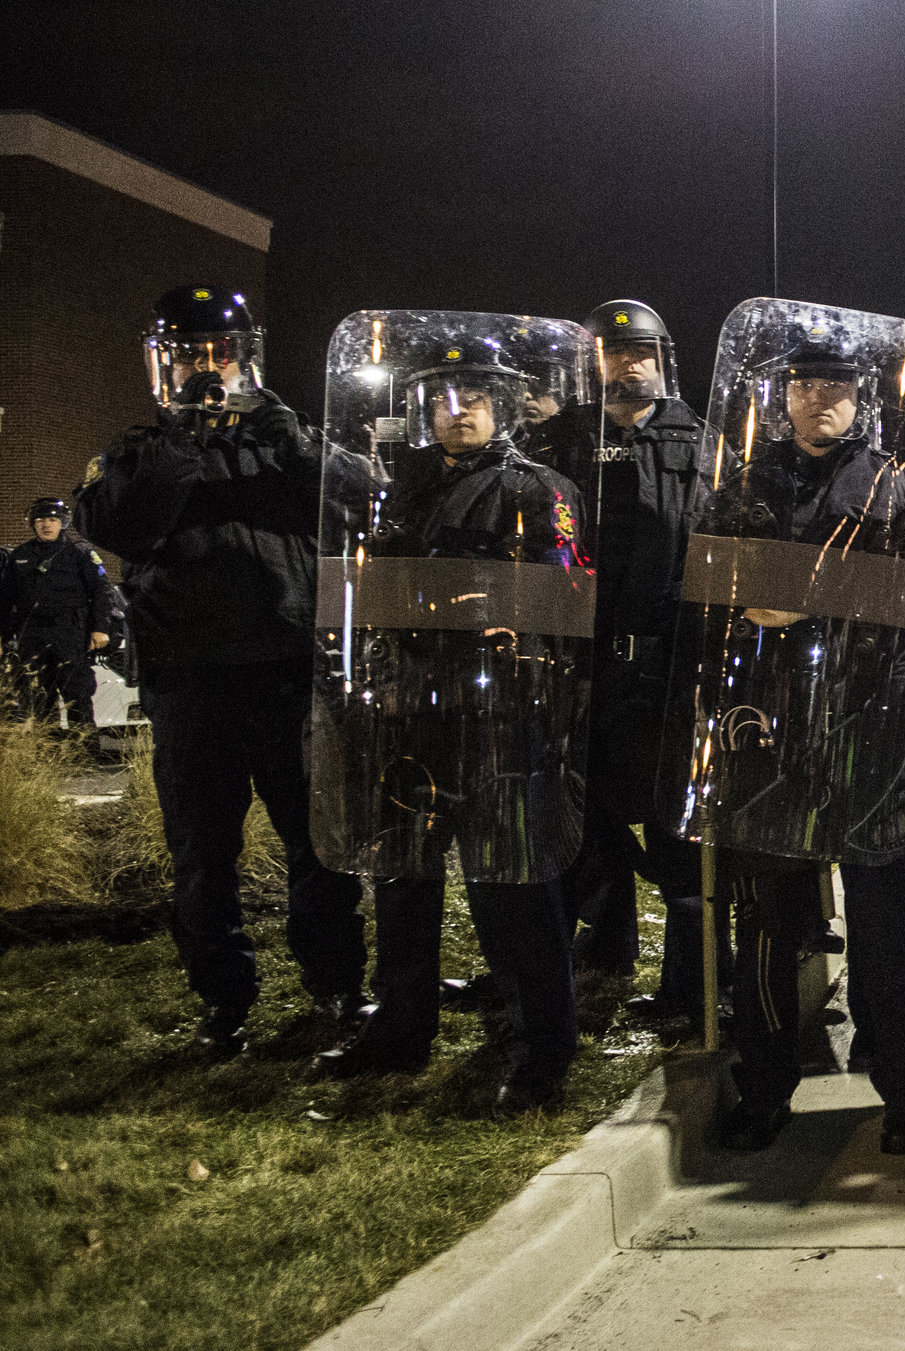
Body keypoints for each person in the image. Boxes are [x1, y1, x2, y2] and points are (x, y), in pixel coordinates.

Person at [671, 304, 905, 1155]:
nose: (818, 399)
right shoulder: (743, 485)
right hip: (767, 735)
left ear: (859, 397)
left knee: (885, 917)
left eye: (834, 385)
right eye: (804, 384)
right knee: (768, 921)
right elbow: (709, 589)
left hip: (865, 736)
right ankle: (765, 1085)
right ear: (785, 396)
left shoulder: (897, 486)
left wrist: (809, 609)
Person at [75, 287, 367, 1060]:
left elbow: (362, 499)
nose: (209, 371)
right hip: (191, 683)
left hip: (285, 672)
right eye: (191, 357)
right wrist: (184, 441)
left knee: (317, 842)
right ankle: (223, 1000)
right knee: (203, 854)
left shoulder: (284, 441)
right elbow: (120, 525)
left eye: (222, 355)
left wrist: (291, 435)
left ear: (247, 359)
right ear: (163, 366)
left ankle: (337, 984)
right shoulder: (139, 452)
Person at [310, 334, 591, 1113]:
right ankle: (402, 1023)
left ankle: (542, 1044)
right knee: (404, 874)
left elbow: (566, 593)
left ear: (501, 405)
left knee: (512, 883)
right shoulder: (401, 488)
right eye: (440, 398)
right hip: (408, 707)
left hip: (500, 710)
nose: (454, 411)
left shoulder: (539, 488)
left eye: (470, 397)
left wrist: (484, 604)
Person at [534, 301, 718, 1016]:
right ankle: (606, 936)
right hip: (580, 666)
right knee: (586, 817)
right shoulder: (562, 443)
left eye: (640, 351)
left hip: (666, 670)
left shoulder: (701, 442)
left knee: (673, 830)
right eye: (614, 353)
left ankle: (693, 982)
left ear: (663, 358)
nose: (627, 363)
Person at [2, 497, 124, 733]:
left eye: (52, 519)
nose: (46, 525)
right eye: (39, 520)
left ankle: (84, 755)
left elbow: (102, 592)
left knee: (77, 694)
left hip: (70, 633)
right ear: (33, 525)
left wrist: (100, 628)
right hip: (33, 635)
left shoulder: (80, 553)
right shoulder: (20, 556)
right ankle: (50, 757)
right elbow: (6, 599)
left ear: (62, 523)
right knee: (38, 697)